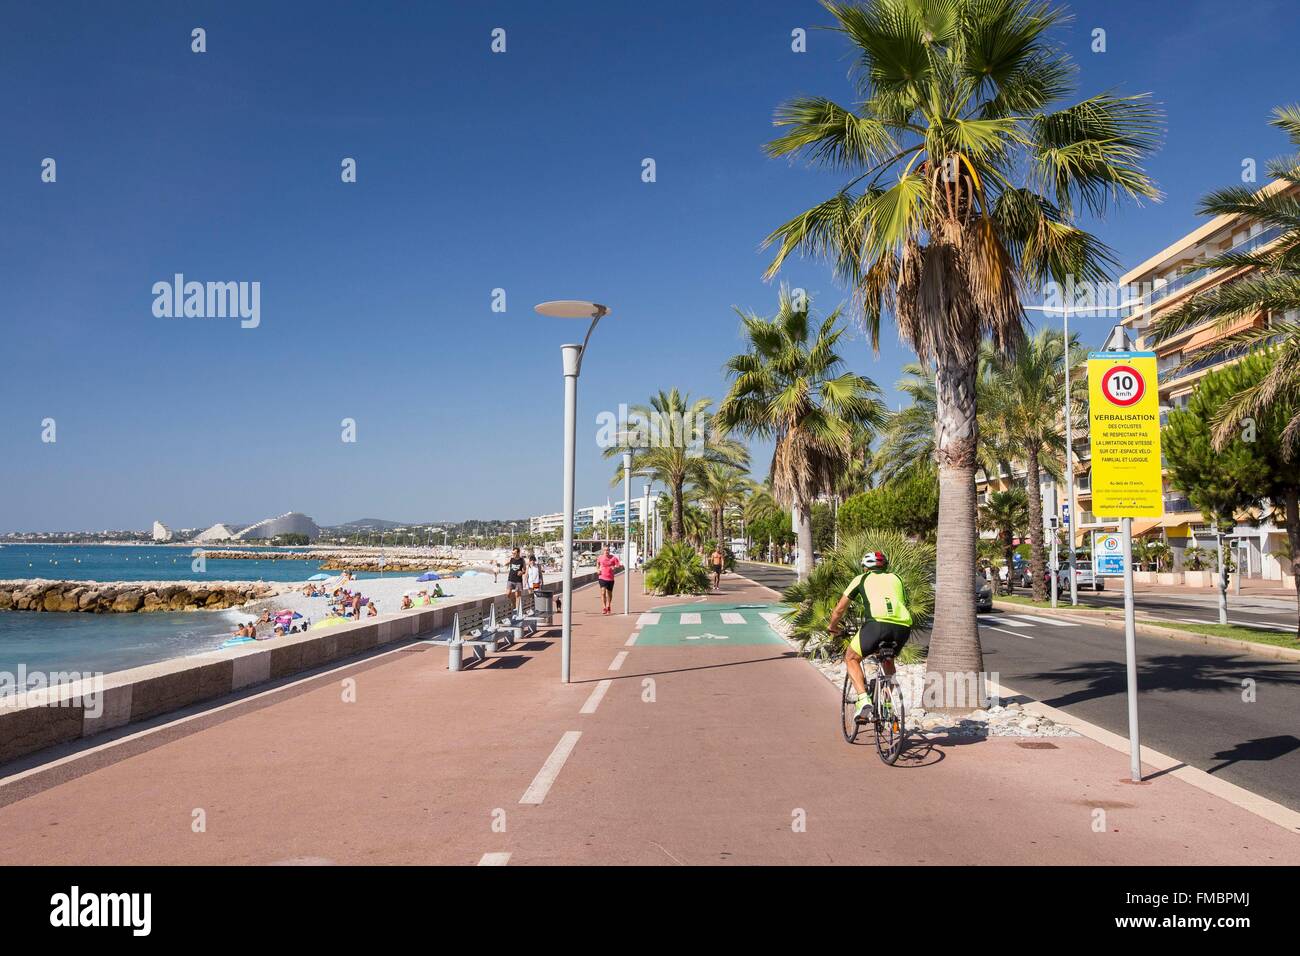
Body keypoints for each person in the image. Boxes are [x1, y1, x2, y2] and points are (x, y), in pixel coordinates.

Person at [827, 551, 913, 724]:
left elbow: (839, 609)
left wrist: (832, 627)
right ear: (885, 566)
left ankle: (863, 700)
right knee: (888, 660)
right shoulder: (897, 578)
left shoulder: (861, 579)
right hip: (903, 627)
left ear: (865, 568)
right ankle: (887, 705)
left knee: (851, 658)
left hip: (876, 625)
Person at [596, 545, 621, 615]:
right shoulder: (600, 557)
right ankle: (604, 607)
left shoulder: (613, 558)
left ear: (609, 551)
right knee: (603, 592)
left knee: (609, 593)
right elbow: (597, 564)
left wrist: (614, 567)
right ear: (603, 551)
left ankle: (609, 605)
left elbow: (618, 565)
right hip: (602, 577)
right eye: (605, 550)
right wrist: (597, 570)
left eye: (607, 550)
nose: (606, 551)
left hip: (610, 578)